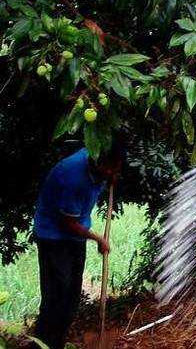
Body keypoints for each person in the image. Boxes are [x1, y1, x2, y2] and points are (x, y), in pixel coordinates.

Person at [32, 143, 124, 349]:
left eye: (116, 168)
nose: (112, 173)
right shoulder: (73, 176)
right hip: (53, 236)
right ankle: (42, 345)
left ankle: (58, 341)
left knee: (72, 295)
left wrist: (111, 176)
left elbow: (74, 223)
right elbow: (68, 223)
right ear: (97, 161)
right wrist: (99, 239)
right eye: (109, 168)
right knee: (56, 296)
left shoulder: (98, 159)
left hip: (74, 236)